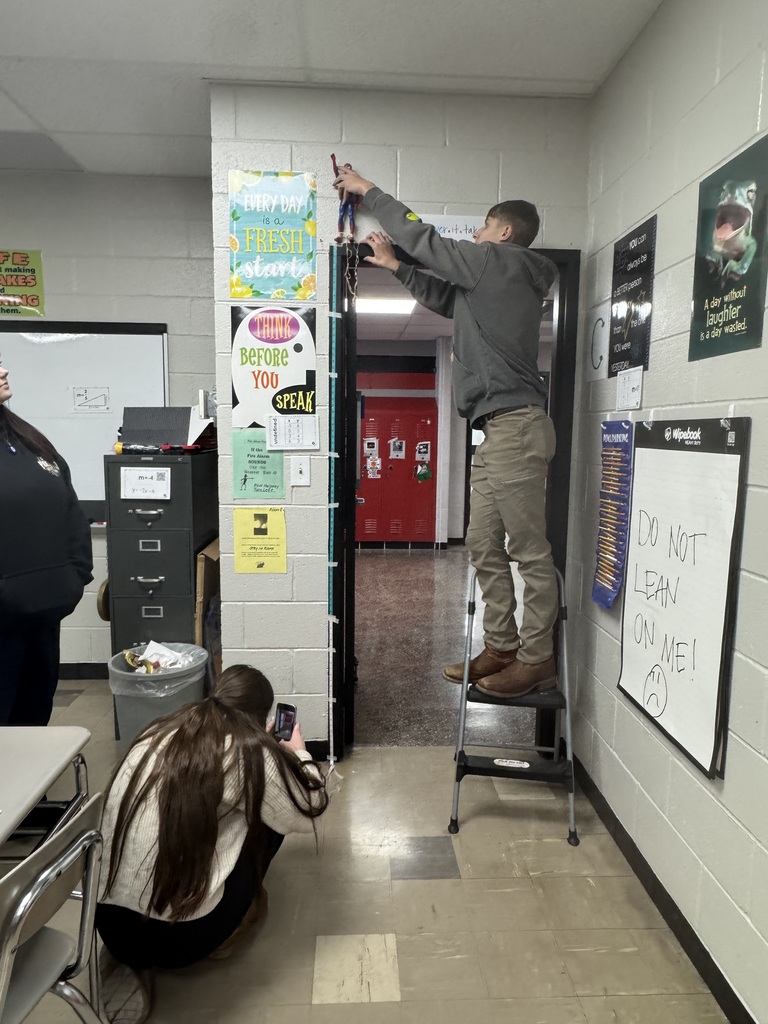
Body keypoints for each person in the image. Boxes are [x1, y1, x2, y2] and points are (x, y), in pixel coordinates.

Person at [333, 167, 558, 699]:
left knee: (529, 550)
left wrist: (369, 193)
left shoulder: (498, 261)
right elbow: (445, 299)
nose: (474, 237)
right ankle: (501, 646)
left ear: (502, 232)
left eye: (481, 228)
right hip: (495, 428)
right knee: (481, 543)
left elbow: (424, 239)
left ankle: (537, 657)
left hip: (516, 426)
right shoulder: (489, 282)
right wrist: (392, 266)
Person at [95, 664, 328, 1021]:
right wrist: (296, 755)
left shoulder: (158, 730)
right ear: (261, 717)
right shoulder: (251, 752)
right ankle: (228, 927)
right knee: (270, 814)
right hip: (184, 941)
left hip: (107, 924)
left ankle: (127, 959)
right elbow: (308, 807)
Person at [0, 358, 93, 725]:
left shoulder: (23, 438)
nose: (4, 370)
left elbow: (69, 509)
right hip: (3, 621)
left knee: (33, 718)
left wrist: (75, 576)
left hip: (42, 615)